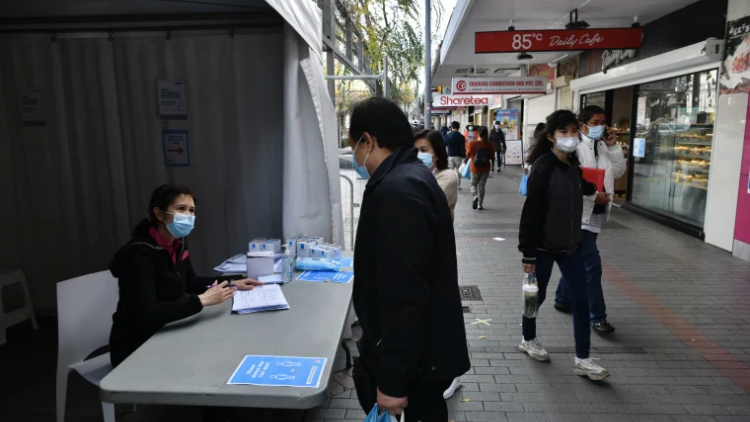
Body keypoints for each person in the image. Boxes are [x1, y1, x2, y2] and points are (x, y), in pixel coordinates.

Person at [348, 97, 470, 421]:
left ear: (368, 140)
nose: (356, 156)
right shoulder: (411, 176)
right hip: (424, 355)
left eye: (355, 146)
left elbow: (404, 294)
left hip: (417, 364)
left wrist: (392, 379)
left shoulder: (396, 191)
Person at [109, 184, 262, 367]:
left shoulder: (178, 242)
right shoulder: (138, 255)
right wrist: (201, 301)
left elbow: (190, 283)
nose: (188, 216)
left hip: (168, 330)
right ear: (159, 214)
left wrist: (231, 282)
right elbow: (146, 315)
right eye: (181, 209)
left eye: (192, 211)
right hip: (136, 347)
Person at [518, 110, 611, 381]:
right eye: (563, 132)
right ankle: (528, 338)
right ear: (551, 136)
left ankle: (582, 358)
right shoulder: (544, 167)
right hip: (544, 248)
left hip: (572, 246)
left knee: (581, 301)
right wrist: (528, 252)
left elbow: (581, 184)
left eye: (573, 131)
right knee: (536, 298)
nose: (570, 137)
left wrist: (595, 193)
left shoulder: (571, 164)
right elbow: (531, 212)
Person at [555, 105, 626, 334]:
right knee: (591, 265)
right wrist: (595, 196)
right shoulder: (574, 147)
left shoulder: (604, 146)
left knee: (579, 259)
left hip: (596, 213)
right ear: (583, 125)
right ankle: (597, 315)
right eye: (595, 123)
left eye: (603, 122)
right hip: (578, 213)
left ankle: (562, 299)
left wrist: (614, 147)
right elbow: (569, 181)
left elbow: (618, 172)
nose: (600, 127)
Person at [414, 129, 459, 221]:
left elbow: (427, 206)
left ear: (437, 154)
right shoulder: (415, 173)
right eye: (415, 150)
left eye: (423, 150)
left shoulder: (448, 177)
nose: (418, 154)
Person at [466, 126, 495, 211]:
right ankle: (480, 204)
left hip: (475, 168)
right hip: (485, 168)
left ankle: (475, 196)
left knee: (473, 184)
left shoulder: (472, 143)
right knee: (482, 186)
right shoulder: (489, 144)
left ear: (477, 133)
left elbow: (468, 154)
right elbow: (491, 156)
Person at [445, 121, 466, 190]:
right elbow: (463, 147)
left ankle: (450, 185)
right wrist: (463, 157)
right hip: (458, 156)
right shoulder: (461, 137)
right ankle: (458, 185)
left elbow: (444, 145)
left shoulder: (447, 136)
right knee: (459, 172)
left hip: (450, 156)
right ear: (458, 127)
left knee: (450, 172)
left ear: (451, 127)